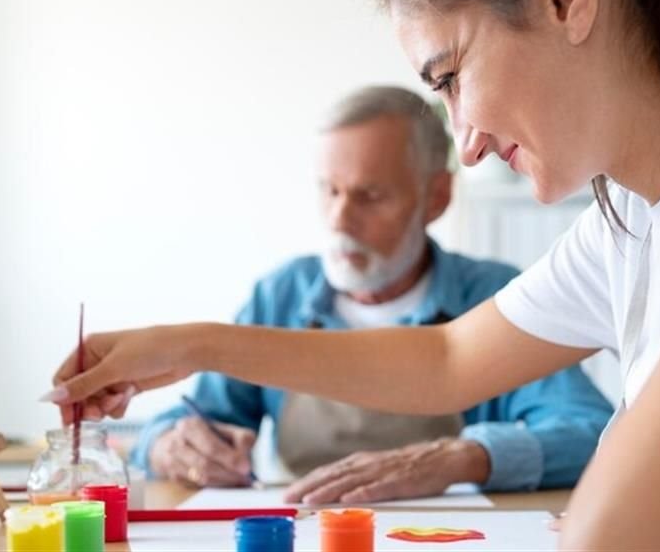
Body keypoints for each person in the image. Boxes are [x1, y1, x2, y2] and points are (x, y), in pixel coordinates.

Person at [45, 0, 660, 549]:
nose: (467, 144)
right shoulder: (628, 222)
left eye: (452, 77)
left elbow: (628, 535)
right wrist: (188, 345)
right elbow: (449, 358)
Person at [130, 86, 613, 502]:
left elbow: (592, 432)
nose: (340, 219)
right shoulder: (279, 296)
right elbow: (191, 418)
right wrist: (169, 443)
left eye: (371, 196)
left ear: (437, 196)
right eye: (330, 191)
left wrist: (464, 457)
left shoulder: (493, 296)